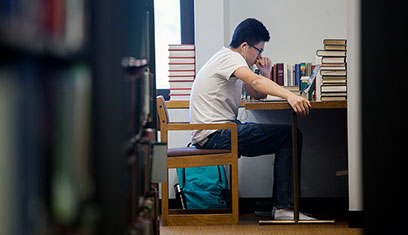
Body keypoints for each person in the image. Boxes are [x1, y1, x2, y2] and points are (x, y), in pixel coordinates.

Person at [189, 18, 315, 220]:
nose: (259, 56)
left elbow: (256, 93)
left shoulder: (228, 60)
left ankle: (281, 204)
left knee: (288, 135)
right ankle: (284, 207)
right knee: (289, 136)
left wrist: (264, 72)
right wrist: (290, 95)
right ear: (245, 46)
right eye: (259, 50)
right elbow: (255, 81)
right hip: (215, 134)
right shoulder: (230, 58)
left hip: (219, 131)